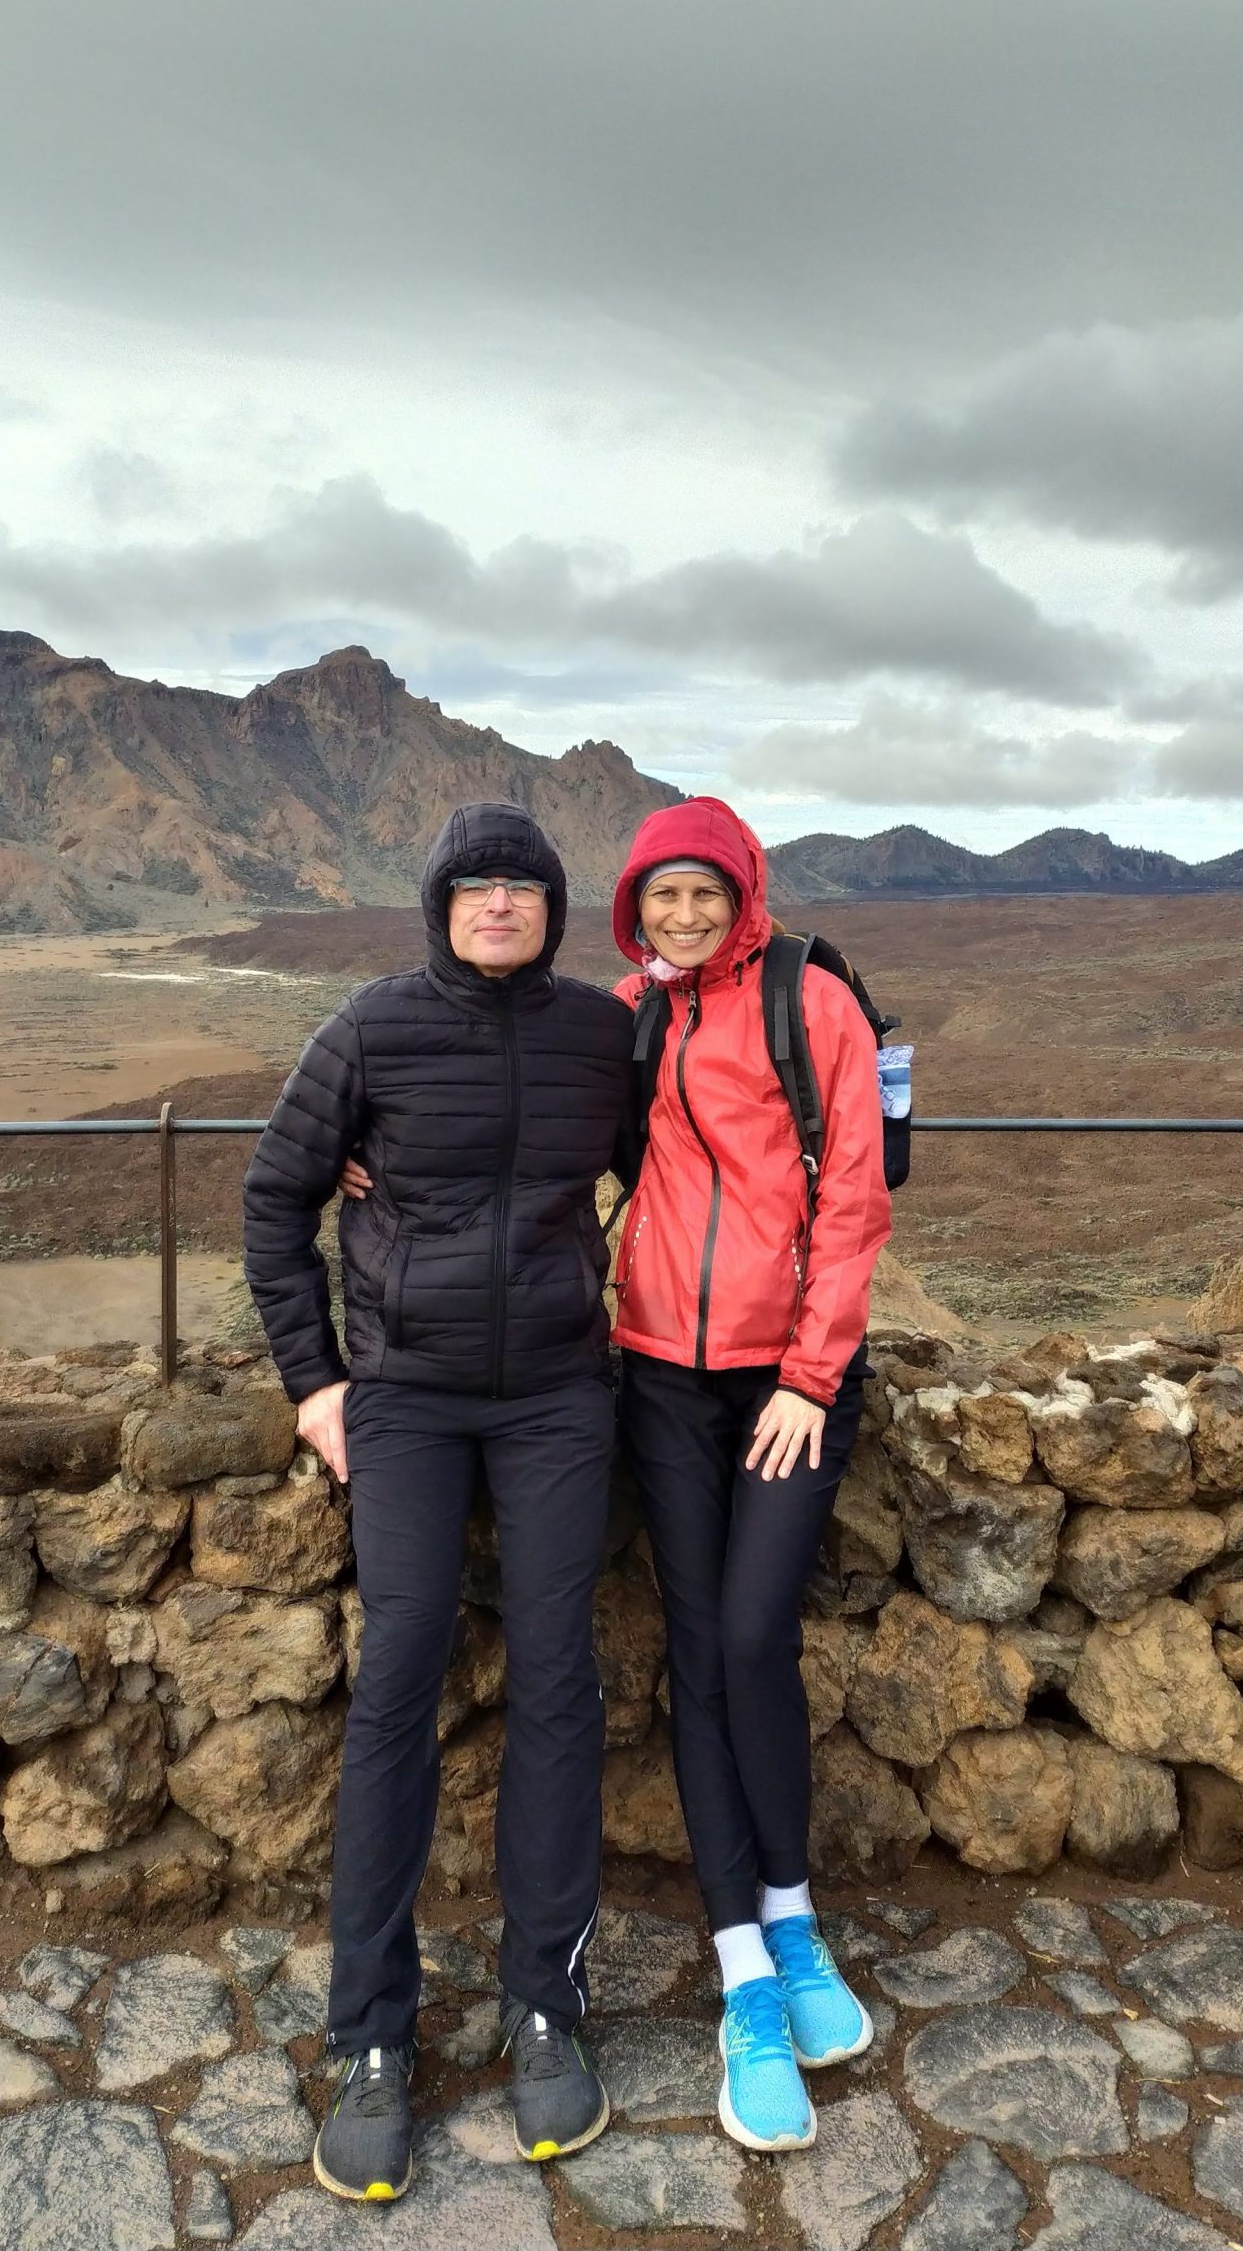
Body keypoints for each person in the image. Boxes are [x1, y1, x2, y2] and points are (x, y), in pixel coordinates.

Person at [243, 801, 633, 2203]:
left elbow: (685, 1172)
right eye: (474, 886)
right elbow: (273, 1201)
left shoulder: (600, 1037)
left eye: (522, 885)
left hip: (557, 1400)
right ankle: (370, 2033)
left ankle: (546, 2005)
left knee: (560, 1675)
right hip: (403, 1398)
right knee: (401, 1669)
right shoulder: (370, 1028)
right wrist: (315, 1383)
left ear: (553, 907)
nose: (499, 904)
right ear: (438, 905)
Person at [608, 795, 893, 2152]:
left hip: (788, 1379)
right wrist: (379, 1155)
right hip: (661, 1371)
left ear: (742, 893)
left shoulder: (809, 999)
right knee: (697, 1646)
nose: (682, 915)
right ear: (634, 907)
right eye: (659, 896)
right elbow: (529, 1121)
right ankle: (746, 1972)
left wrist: (810, 1376)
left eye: (703, 893)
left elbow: (856, 1201)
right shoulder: (632, 1013)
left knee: (750, 1634)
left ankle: (796, 1916)